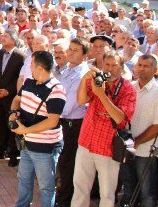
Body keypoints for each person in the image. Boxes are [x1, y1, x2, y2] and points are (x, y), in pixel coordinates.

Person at [71, 52, 137, 207]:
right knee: (80, 188)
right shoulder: (97, 81)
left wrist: (101, 94)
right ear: (102, 65)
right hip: (86, 142)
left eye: (115, 65)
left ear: (121, 68)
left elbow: (120, 119)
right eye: (107, 64)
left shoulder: (127, 89)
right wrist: (84, 79)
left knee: (107, 194)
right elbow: (81, 100)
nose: (111, 69)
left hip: (107, 147)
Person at [9, 50, 66, 207]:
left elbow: (52, 121)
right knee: (24, 179)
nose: (29, 67)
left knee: (46, 187)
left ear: (40, 68)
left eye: (31, 65)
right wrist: (13, 114)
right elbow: (17, 99)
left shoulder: (56, 89)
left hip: (45, 148)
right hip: (26, 144)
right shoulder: (28, 81)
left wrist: (24, 131)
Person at [119, 54, 158, 207]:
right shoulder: (130, 87)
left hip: (145, 151)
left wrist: (137, 142)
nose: (141, 68)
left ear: (154, 70)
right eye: (139, 65)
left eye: (146, 66)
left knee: (147, 192)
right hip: (127, 147)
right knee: (128, 187)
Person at [55, 38, 90, 207]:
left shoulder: (83, 74)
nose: (70, 52)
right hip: (61, 119)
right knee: (62, 161)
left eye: (76, 50)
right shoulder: (67, 70)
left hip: (73, 123)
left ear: (84, 55)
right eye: (70, 49)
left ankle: (64, 200)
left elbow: (70, 104)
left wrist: (52, 114)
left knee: (68, 163)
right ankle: (62, 195)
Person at [0, 29, 25, 167]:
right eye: (2, 36)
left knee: (12, 126)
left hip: (11, 98)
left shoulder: (21, 57)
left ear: (13, 40)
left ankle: (13, 154)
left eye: (6, 36)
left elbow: (19, 78)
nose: (2, 38)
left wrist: (8, 91)